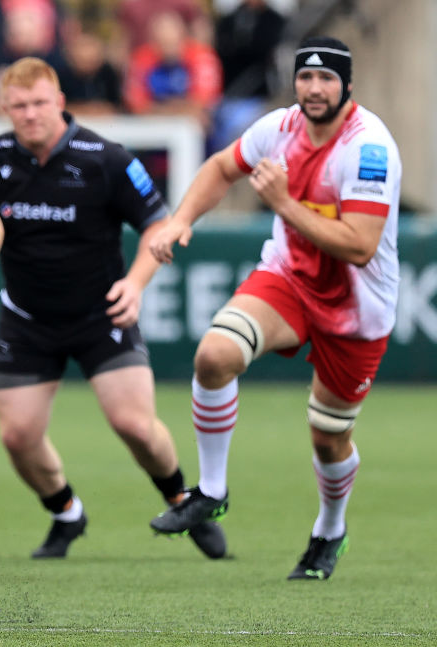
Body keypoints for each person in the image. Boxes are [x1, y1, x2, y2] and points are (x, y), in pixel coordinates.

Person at [147, 37, 401, 581]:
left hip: (356, 304)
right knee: (214, 356)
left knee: (328, 439)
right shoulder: (278, 128)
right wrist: (179, 219)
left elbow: (359, 245)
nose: (313, 89)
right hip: (288, 276)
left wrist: (283, 203)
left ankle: (330, 529)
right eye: (305, 78)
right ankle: (211, 491)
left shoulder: (368, 148)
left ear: (347, 86)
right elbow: (221, 166)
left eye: (326, 79)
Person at [0, 57, 224, 560]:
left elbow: (158, 226)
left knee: (134, 425)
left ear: (60, 102)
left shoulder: (106, 159)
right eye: (19, 106)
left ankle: (180, 498)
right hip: (26, 318)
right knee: (17, 437)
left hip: (102, 314)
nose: (30, 114)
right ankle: (66, 512)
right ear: (5, 109)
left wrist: (136, 284)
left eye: (40, 103)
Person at [209, 0, 287, 153]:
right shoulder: (229, 20)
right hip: (226, 95)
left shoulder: (276, 21)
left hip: (257, 97)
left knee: (237, 128)